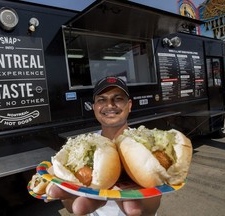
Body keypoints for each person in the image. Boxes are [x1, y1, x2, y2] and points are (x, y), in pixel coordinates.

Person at [46, 76, 161, 216]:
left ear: (129, 105)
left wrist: (142, 204)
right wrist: (67, 194)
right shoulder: (82, 148)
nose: (110, 105)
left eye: (118, 98)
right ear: (94, 107)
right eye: (102, 100)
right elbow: (72, 208)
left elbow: (151, 210)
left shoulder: (145, 147)